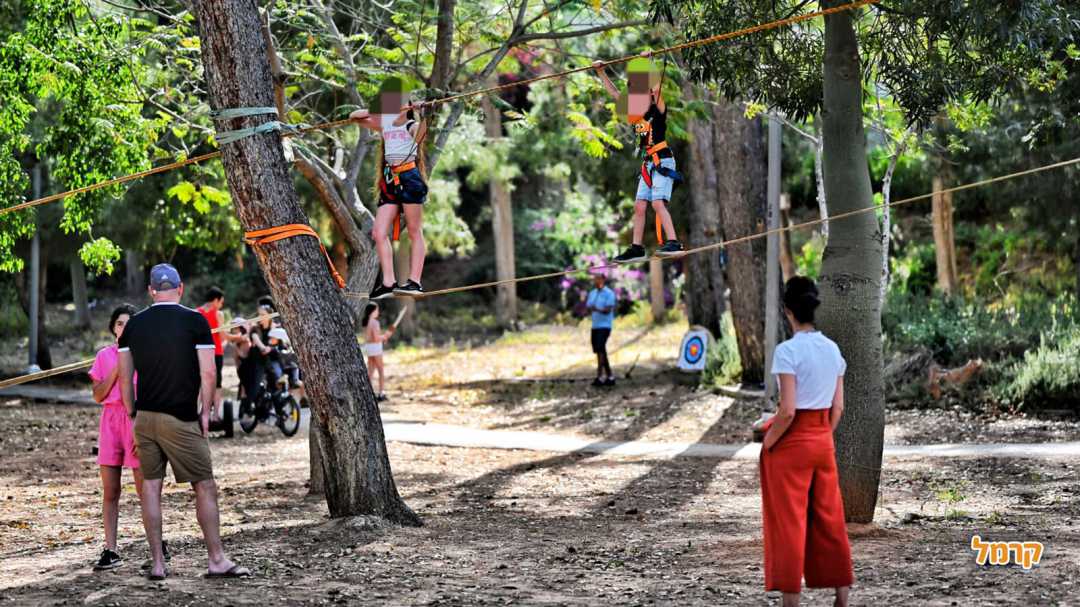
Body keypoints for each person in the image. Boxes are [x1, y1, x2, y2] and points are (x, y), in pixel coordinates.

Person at [118, 264, 249, 581]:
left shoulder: (132, 326)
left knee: (150, 488)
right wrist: (205, 413)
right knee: (204, 484)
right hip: (181, 418)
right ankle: (216, 559)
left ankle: (158, 564)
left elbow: (125, 380)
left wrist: (134, 415)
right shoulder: (195, 321)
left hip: (145, 418)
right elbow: (209, 372)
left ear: (151, 291)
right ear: (180, 288)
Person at [758, 276, 853, 607]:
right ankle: (841, 594)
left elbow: (786, 411)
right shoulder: (833, 349)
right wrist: (824, 433)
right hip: (823, 438)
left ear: (788, 312)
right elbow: (838, 406)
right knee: (829, 516)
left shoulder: (787, 351)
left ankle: (791, 601)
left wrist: (768, 441)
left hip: (793, 443)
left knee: (789, 521)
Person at [593, 53, 684, 264]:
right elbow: (615, 94)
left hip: (662, 160)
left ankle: (674, 242)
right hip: (648, 164)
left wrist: (649, 63)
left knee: (657, 203)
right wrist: (600, 71)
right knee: (639, 206)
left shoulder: (658, 110)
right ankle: (636, 247)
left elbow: (657, 89)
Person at [350, 76, 429, 299]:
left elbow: (421, 136)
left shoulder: (411, 125)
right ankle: (388, 282)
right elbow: (354, 117)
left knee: (414, 230)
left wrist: (421, 112)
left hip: (410, 178)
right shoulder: (384, 124)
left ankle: (414, 282)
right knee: (378, 232)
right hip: (390, 182)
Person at [89, 304, 142, 570]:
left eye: (129, 324)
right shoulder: (104, 356)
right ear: (113, 327)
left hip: (136, 421)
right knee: (111, 490)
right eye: (119, 323)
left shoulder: (146, 354)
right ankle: (110, 549)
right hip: (110, 423)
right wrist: (117, 369)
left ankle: (158, 545)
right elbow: (98, 395)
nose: (124, 328)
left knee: (147, 490)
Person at [195, 287, 236, 422]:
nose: (221, 305)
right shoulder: (218, 314)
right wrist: (238, 337)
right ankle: (215, 415)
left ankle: (200, 413)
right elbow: (223, 336)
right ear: (215, 300)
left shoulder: (196, 313)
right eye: (221, 302)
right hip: (216, 353)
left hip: (200, 353)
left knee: (201, 383)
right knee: (217, 385)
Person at [585, 272, 617, 387]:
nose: (596, 281)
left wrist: (596, 309)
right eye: (594, 279)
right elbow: (588, 308)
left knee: (600, 348)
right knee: (600, 350)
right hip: (595, 326)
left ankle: (600, 375)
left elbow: (608, 309)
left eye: (598, 279)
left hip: (605, 326)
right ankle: (609, 376)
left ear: (603, 280)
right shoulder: (592, 293)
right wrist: (589, 309)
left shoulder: (609, 294)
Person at [362, 303, 395, 400]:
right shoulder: (375, 322)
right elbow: (376, 338)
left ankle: (365, 393)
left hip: (368, 347)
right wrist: (385, 336)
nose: (378, 312)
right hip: (376, 348)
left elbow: (370, 338)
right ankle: (381, 393)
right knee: (381, 371)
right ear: (372, 311)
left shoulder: (366, 322)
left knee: (370, 371)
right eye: (377, 310)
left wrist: (383, 337)